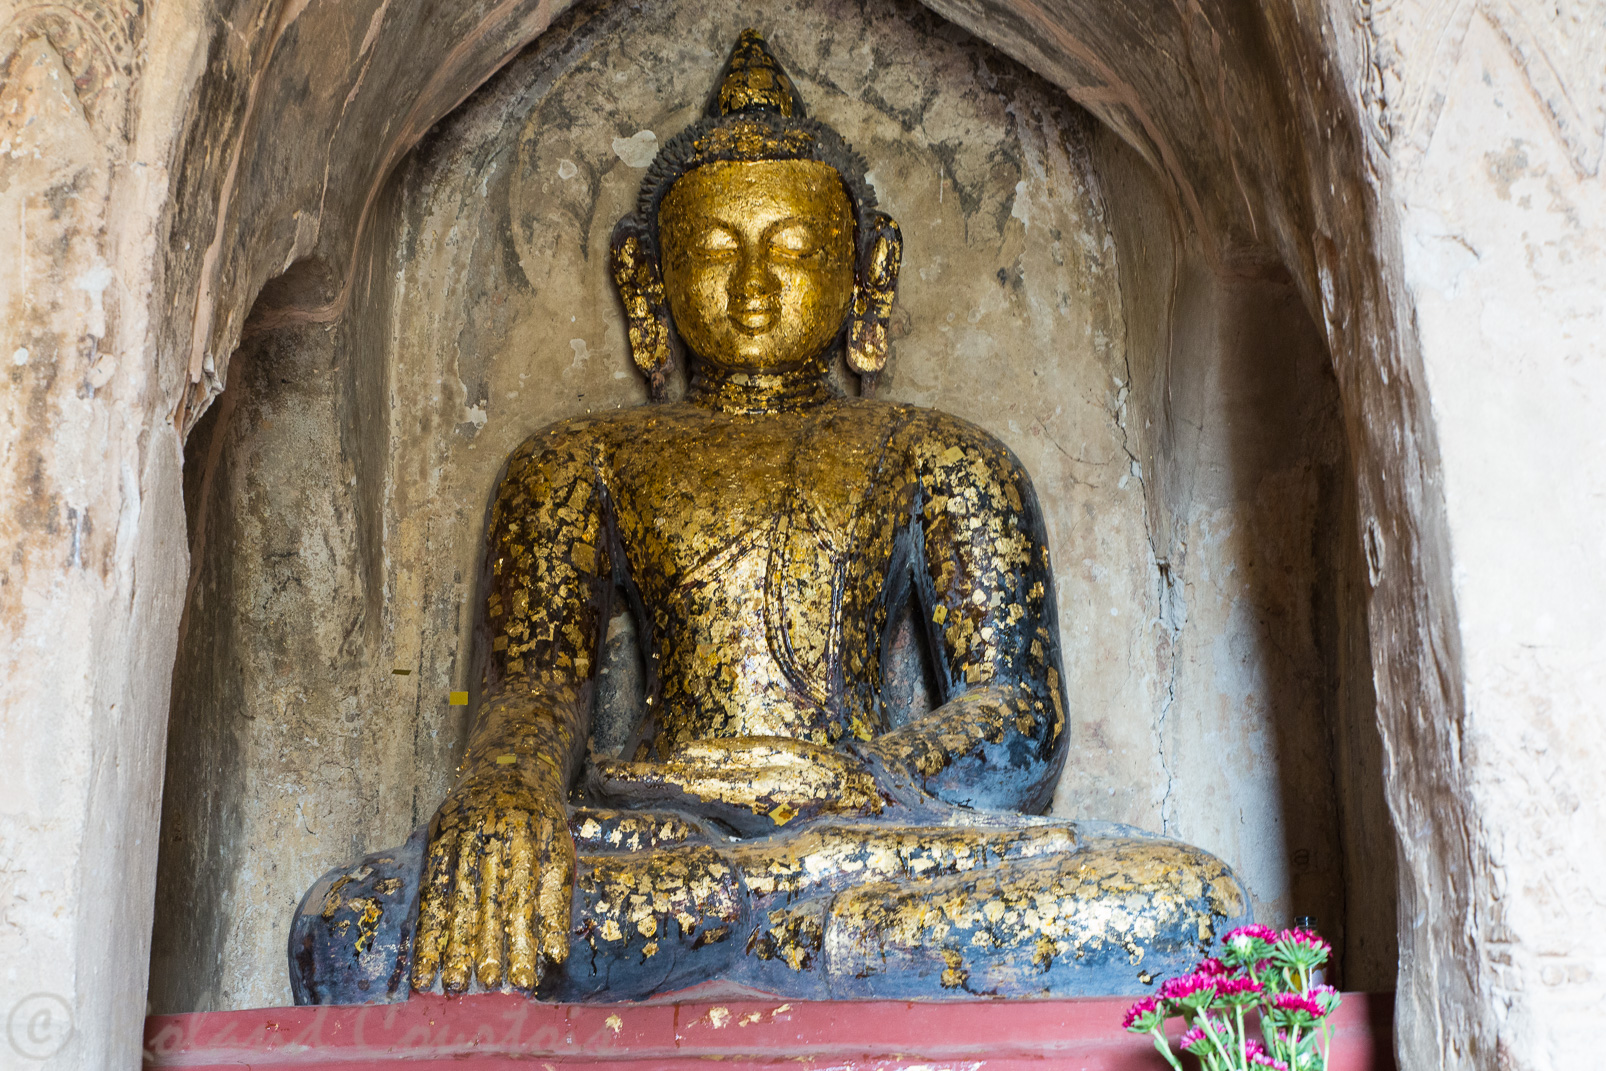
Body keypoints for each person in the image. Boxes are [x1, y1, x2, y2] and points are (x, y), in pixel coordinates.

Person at [290, 30, 1247, 1005]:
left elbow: (1019, 716)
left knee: (1185, 904)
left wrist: (869, 778)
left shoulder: (943, 455)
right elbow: (533, 689)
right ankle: (793, 927)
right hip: (652, 836)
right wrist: (503, 797)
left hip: (869, 838)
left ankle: (732, 918)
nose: (752, 284)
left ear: (867, 269)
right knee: (357, 927)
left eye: (793, 248)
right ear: (645, 276)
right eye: (714, 249)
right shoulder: (577, 461)